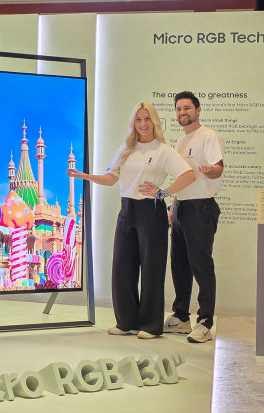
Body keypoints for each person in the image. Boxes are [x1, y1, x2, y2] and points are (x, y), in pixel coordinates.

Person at [68, 102, 194, 339]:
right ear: (133, 123)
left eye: (147, 119)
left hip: (151, 211)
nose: (143, 124)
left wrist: (164, 192)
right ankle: (126, 322)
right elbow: (110, 179)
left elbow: (188, 175)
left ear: (154, 122)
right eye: (138, 119)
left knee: (152, 269)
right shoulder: (126, 149)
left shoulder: (164, 150)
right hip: (127, 210)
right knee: (122, 267)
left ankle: (151, 325)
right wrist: (84, 176)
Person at [152, 91, 224, 343]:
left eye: (187, 108)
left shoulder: (209, 136)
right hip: (181, 208)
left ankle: (205, 322)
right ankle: (181, 317)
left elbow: (217, 168)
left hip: (201, 208)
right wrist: (173, 207)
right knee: (179, 264)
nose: (183, 112)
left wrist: (210, 169)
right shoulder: (181, 142)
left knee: (201, 265)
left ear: (198, 110)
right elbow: (181, 178)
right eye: (179, 109)